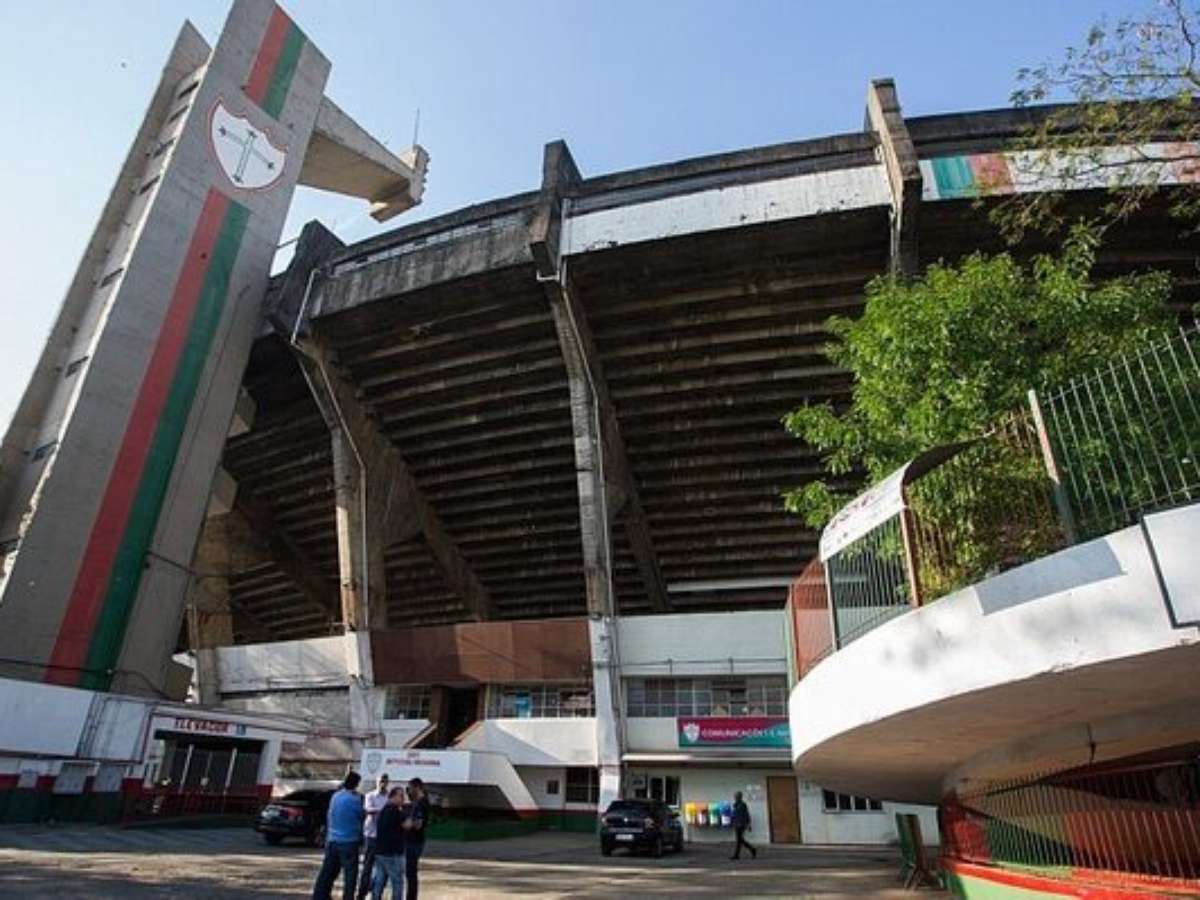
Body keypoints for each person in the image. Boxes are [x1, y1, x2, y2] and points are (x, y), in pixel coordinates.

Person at [313, 771, 365, 900]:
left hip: (333, 839)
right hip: (349, 841)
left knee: (327, 872)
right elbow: (361, 815)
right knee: (350, 875)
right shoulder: (355, 800)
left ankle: (320, 895)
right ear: (356, 784)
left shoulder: (335, 796)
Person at [357, 774, 390, 900]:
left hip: (384, 837)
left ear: (387, 782)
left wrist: (381, 812)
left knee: (383, 867)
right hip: (371, 835)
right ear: (376, 782)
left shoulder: (389, 797)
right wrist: (384, 811)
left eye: (385, 781)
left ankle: (375, 892)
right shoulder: (370, 795)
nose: (382, 783)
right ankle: (361, 893)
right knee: (367, 866)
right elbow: (368, 810)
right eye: (381, 781)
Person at [371, 786, 406, 900]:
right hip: (392, 852)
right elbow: (407, 825)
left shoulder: (384, 809)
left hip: (380, 851)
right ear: (393, 796)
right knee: (397, 881)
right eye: (401, 796)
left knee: (379, 880)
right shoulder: (395, 811)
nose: (403, 799)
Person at [400, 778, 431, 899]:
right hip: (412, 840)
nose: (408, 791)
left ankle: (411, 897)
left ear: (417, 787)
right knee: (409, 872)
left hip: (414, 841)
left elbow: (418, 824)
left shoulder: (421, 803)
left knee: (411, 872)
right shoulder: (417, 802)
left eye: (410, 788)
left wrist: (408, 824)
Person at [730, 791, 757, 860]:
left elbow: (746, 815)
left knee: (739, 840)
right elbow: (734, 815)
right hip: (737, 824)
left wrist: (748, 824)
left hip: (741, 824)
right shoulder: (735, 805)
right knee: (740, 840)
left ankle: (738, 854)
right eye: (735, 796)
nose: (735, 797)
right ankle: (751, 850)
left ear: (740, 797)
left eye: (737, 796)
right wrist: (733, 821)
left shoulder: (743, 805)